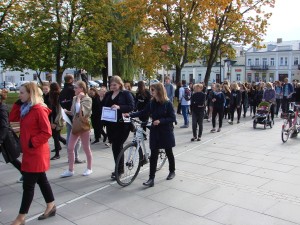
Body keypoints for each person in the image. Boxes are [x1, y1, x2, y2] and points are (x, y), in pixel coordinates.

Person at [11, 82, 56, 225]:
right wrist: (18, 103)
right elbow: (12, 118)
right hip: (29, 152)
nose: (19, 95)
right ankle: (51, 205)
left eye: (22, 92)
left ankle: (21, 217)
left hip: (36, 152)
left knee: (28, 185)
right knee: (42, 180)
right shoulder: (26, 108)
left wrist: (32, 142)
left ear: (31, 94)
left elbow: (47, 132)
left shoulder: (38, 109)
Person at [128, 82, 176, 187]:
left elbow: (172, 118)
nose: (151, 92)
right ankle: (151, 179)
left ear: (159, 91)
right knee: (154, 155)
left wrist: (161, 121)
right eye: (151, 90)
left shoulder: (167, 103)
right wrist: (131, 114)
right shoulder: (151, 102)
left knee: (169, 151)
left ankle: (172, 171)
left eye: (153, 90)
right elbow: (143, 112)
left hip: (165, 131)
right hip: (155, 131)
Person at [102, 75, 135, 179]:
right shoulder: (108, 94)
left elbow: (132, 106)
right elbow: (103, 106)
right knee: (115, 147)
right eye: (111, 85)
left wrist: (119, 107)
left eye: (115, 85)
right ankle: (118, 168)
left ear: (120, 84)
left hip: (122, 124)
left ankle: (119, 170)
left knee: (118, 146)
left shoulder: (126, 94)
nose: (112, 87)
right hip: (111, 124)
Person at [61, 81, 93, 177]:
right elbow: (74, 111)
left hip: (84, 126)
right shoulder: (75, 98)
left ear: (81, 89)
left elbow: (80, 111)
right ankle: (71, 170)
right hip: (75, 125)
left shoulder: (88, 99)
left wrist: (79, 99)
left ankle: (89, 168)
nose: (74, 89)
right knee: (70, 147)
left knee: (86, 148)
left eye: (76, 87)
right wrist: (67, 112)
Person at [59, 74, 85, 164]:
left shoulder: (62, 91)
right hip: (74, 118)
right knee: (76, 139)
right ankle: (75, 157)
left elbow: (62, 103)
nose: (75, 89)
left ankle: (71, 156)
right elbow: (77, 110)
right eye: (75, 88)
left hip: (70, 117)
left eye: (76, 88)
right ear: (70, 80)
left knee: (70, 137)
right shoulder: (73, 94)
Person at [48, 82, 65, 160]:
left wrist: (55, 122)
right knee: (56, 136)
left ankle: (57, 154)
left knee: (56, 136)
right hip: (53, 118)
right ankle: (66, 143)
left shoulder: (57, 96)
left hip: (56, 119)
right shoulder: (53, 96)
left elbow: (59, 110)